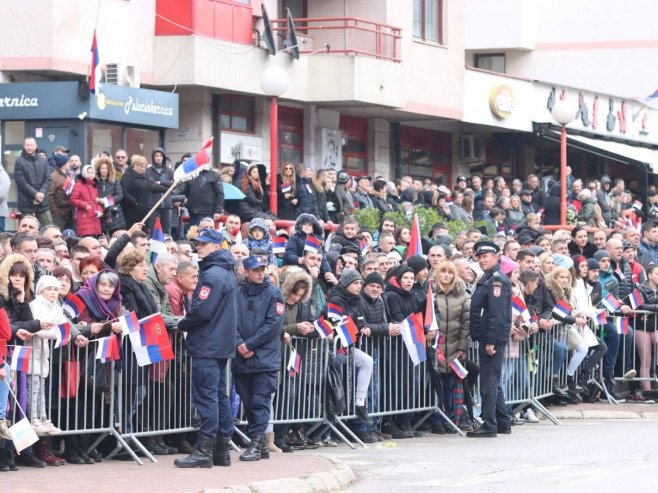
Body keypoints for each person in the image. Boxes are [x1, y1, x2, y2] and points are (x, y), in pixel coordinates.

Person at [175, 229, 237, 469]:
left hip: (207, 344)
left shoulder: (212, 275)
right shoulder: (226, 272)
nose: (198, 247)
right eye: (197, 243)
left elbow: (201, 310)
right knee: (219, 396)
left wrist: (183, 323)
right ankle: (221, 450)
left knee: (207, 397)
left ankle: (204, 451)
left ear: (215, 246)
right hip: (220, 345)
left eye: (202, 244)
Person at [232, 252, 284, 461]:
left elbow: (274, 324)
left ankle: (255, 443)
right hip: (241, 357)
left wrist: (250, 344)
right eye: (255, 270)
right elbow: (230, 321)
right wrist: (239, 344)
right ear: (246, 271)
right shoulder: (236, 293)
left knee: (260, 401)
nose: (260, 273)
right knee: (248, 400)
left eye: (262, 269)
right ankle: (260, 441)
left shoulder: (274, 293)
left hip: (265, 357)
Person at [467, 241, 512, 437]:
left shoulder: (496, 281)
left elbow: (497, 314)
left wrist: (491, 341)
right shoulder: (487, 277)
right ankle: (502, 422)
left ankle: (489, 424)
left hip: (491, 339)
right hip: (487, 337)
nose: (482, 260)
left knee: (488, 383)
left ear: (496, 257)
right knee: (492, 381)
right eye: (479, 256)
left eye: (486, 256)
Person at [14, 137, 53, 225]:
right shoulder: (19, 162)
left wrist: (41, 193)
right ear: (24, 146)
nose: (29, 147)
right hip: (26, 202)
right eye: (27, 145)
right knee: (27, 230)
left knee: (49, 227)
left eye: (31, 145)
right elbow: (21, 182)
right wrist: (35, 194)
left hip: (42, 202)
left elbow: (47, 179)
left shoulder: (43, 161)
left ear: (35, 146)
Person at [145, 147, 175, 235]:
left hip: (167, 205)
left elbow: (174, 185)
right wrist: (167, 187)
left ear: (163, 157)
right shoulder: (149, 171)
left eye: (160, 156)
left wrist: (161, 182)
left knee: (166, 231)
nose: (158, 158)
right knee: (155, 231)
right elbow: (152, 185)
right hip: (154, 205)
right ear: (153, 157)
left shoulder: (169, 171)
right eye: (156, 156)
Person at [95, 156, 126, 234]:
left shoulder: (115, 181)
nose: (104, 170)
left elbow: (119, 196)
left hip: (115, 215)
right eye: (102, 168)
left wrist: (105, 201)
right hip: (100, 213)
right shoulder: (95, 182)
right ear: (99, 169)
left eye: (106, 168)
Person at [70, 165, 103, 238]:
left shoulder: (94, 185)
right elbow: (73, 199)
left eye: (92, 172)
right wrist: (84, 205)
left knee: (95, 239)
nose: (91, 174)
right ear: (84, 173)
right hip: (84, 216)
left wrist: (100, 211)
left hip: (94, 216)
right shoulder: (78, 185)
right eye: (88, 172)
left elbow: (96, 200)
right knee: (87, 238)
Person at [121, 155, 151, 230]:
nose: (143, 169)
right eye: (141, 166)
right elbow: (124, 192)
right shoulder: (128, 176)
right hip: (132, 211)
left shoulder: (144, 176)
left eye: (144, 167)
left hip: (143, 210)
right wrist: (135, 202)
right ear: (135, 165)